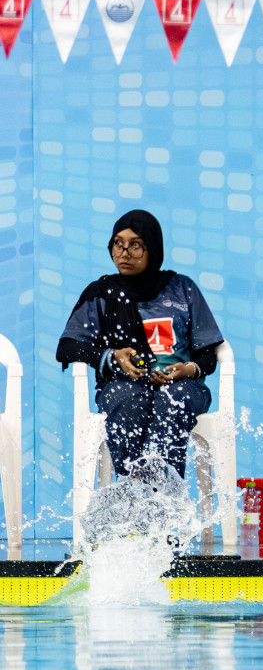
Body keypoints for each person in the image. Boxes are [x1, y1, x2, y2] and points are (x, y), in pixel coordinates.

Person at [56, 210, 223, 489]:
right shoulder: (102, 293)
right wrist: (111, 357)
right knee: (127, 398)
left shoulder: (182, 288)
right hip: (124, 385)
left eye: (135, 245)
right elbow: (68, 347)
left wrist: (187, 370)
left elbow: (208, 354)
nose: (124, 252)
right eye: (117, 243)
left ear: (152, 248)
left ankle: (163, 506)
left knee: (173, 398)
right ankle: (137, 497)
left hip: (182, 385)